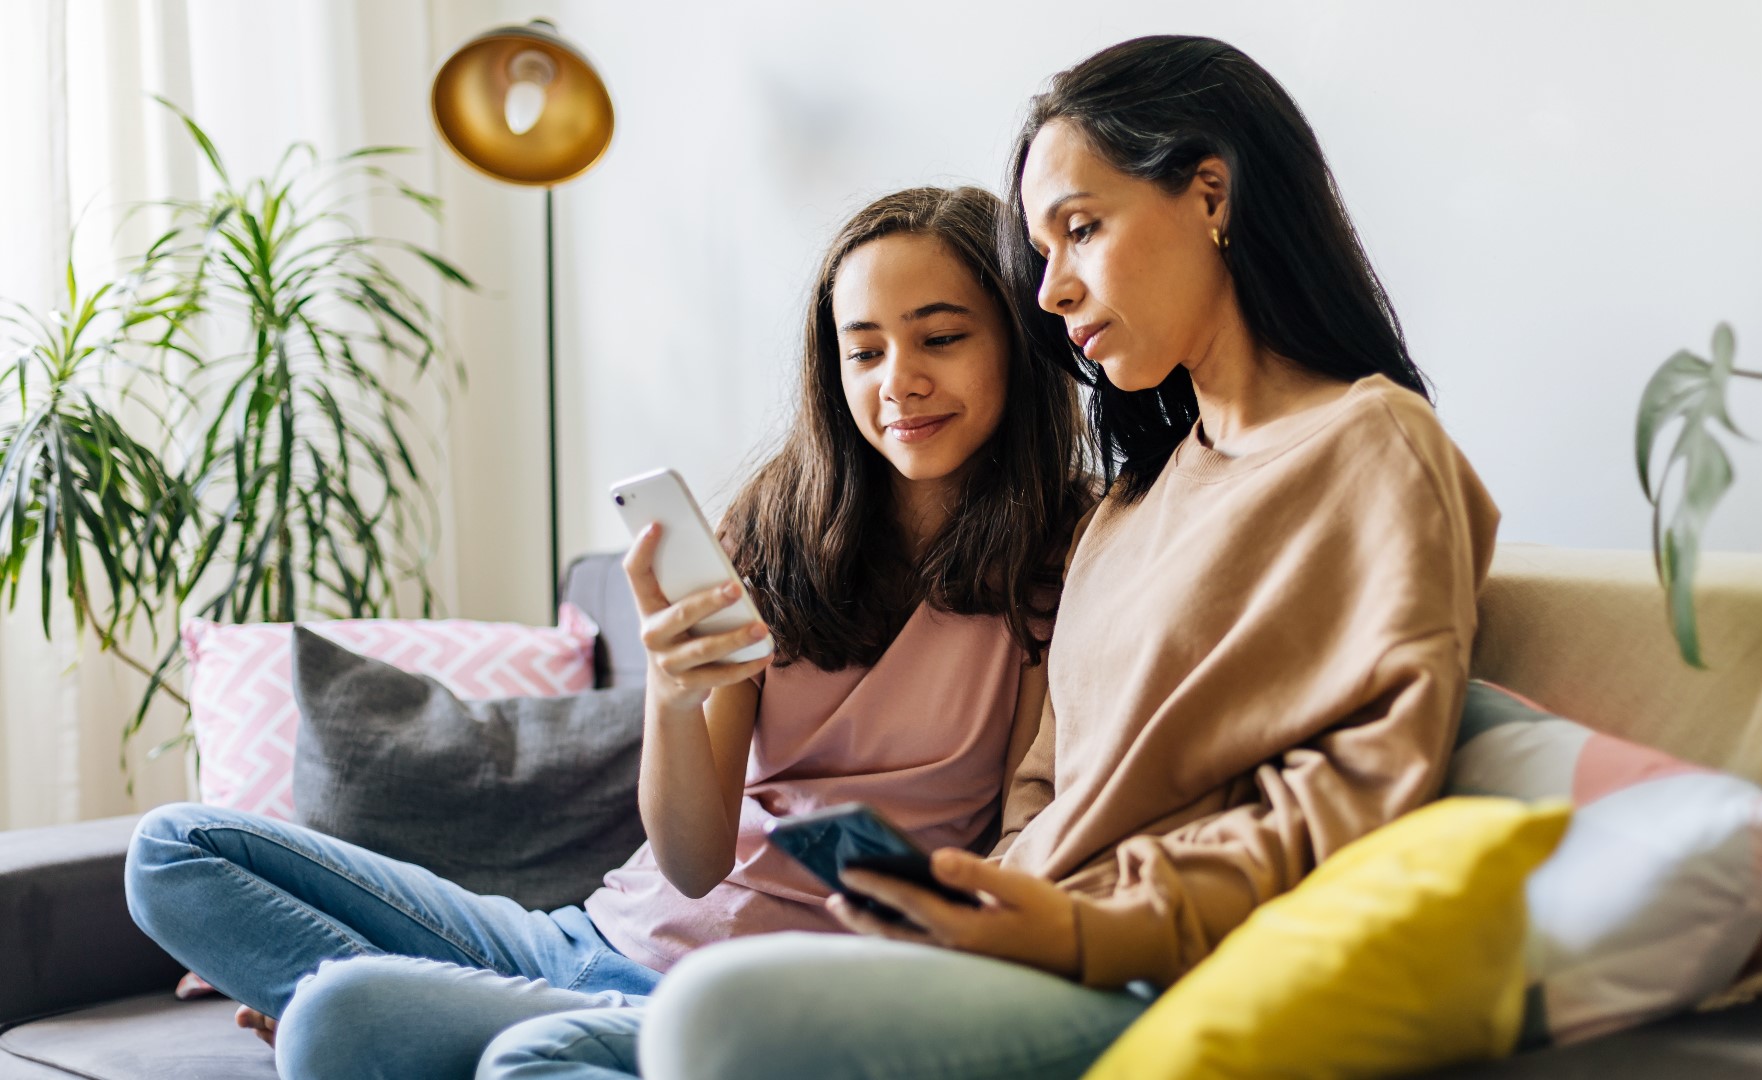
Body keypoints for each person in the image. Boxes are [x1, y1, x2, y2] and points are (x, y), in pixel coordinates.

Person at [607, 34, 1500, 1079]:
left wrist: (1076, 932)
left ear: (1211, 195)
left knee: (704, 1023)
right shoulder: (1130, 506)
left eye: (1081, 230)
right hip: (1000, 949)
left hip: (1127, 968)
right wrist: (966, 903)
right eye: (1045, 250)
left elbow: (1354, 801)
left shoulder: (1369, 447)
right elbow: (1041, 790)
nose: (1051, 293)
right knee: (473, 1038)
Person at [122, 184, 1089, 1080]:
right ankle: (482, 1019)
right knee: (171, 849)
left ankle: (456, 1025)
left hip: (753, 1002)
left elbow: (1021, 842)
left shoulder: (1064, 563)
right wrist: (673, 696)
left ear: (1014, 336)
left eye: (941, 338)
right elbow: (694, 861)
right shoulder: (776, 529)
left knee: (337, 1017)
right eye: (865, 350)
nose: (898, 382)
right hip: (588, 942)